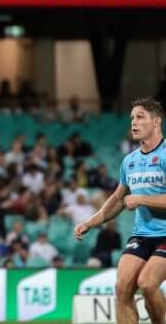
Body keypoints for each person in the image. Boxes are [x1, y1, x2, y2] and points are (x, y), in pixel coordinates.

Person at [74, 98, 166, 324]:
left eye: (140, 117)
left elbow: (133, 199)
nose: (134, 122)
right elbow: (117, 199)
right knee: (122, 287)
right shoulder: (129, 161)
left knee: (147, 284)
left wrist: (142, 198)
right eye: (132, 118)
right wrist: (91, 222)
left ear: (156, 122)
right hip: (142, 235)